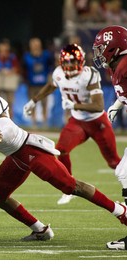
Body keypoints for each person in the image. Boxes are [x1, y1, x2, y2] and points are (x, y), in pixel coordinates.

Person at [0, 72, 127, 241]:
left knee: (71, 186)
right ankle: (40, 230)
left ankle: (120, 210)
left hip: (30, 150)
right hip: (13, 157)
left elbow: (3, 120)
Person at [23, 44, 121, 205]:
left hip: (97, 122)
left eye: (73, 61)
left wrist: (74, 105)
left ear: (81, 61)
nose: (69, 66)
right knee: (60, 150)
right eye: (66, 62)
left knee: (113, 162)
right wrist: (33, 101)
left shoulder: (88, 75)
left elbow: (98, 106)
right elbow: (50, 86)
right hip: (78, 122)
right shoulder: (58, 73)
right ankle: (69, 187)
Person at [92, 25, 127, 250]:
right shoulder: (119, 66)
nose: (99, 52)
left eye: (102, 48)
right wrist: (118, 103)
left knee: (125, 171)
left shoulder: (124, 66)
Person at [22, 37, 54, 128]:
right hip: (31, 84)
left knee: (44, 103)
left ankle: (44, 122)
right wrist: (25, 79)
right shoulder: (27, 56)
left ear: (40, 45)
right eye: (33, 45)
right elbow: (23, 69)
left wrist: (49, 75)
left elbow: (51, 65)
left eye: (37, 44)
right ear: (30, 46)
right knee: (32, 103)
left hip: (43, 84)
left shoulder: (46, 55)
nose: (35, 46)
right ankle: (34, 122)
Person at [0, 38, 20, 119]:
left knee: (10, 103)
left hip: (9, 83)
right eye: (2, 47)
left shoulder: (12, 58)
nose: (4, 49)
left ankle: (10, 120)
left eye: (6, 47)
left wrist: (9, 71)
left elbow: (17, 69)